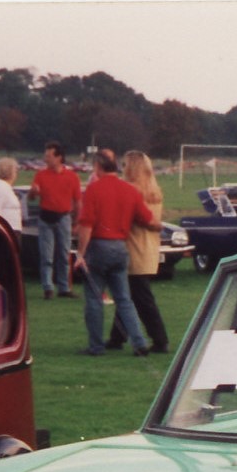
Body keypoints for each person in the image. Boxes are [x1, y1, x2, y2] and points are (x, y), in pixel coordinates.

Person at [72, 146, 156, 357]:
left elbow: (86, 225)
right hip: (120, 247)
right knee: (124, 299)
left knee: (93, 298)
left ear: (98, 167)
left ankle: (96, 345)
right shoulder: (130, 190)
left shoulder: (94, 189)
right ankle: (139, 342)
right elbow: (147, 219)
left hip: (99, 246)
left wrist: (80, 254)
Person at [108, 150, 170, 355]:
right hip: (148, 248)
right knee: (129, 295)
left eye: (125, 165)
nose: (122, 169)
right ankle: (117, 336)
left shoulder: (131, 191)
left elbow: (136, 219)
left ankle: (160, 339)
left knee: (140, 298)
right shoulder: (153, 191)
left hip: (134, 248)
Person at [32, 141, 82, 299]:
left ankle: (64, 288)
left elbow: (78, 201)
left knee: (64, 253)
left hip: (63, 218)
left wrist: (76, 221)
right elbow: (32, 197)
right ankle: (48, 287)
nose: (46, 159)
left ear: (59, 157)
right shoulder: (41, 175)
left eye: (49, 156)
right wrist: (33, 192)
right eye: (45, 155)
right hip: (46, 218)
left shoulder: (72, 177)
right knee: (46, 255)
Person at [0, 157, 23, 234]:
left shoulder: (5, 186)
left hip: (12, 229)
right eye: (15, 171)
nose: (16, 174)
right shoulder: (0, 188)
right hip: (6, 230)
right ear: (10, 172)